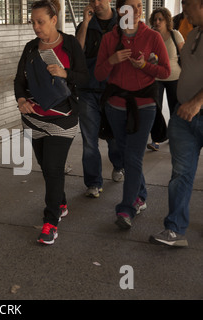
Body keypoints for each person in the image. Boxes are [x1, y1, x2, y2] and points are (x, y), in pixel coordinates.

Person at [14, 0, 89, 244]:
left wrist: (65, 73)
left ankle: (51, 222)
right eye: (33, 22)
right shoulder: (30, 48)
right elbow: (18, 80)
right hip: (34, 119)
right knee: (47, 168)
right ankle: (61, 201)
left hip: (64, 119)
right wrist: (21, 99)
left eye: (40, 21)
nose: (36, 27)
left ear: (54, 20)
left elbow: (86, 78)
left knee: (54, 168)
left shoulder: (70, 45)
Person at [94, 0, 171, 229]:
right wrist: (111, 60)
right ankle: (141, 196)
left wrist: (145, 66)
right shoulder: (109, 39)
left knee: (133, 156)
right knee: (126, 153)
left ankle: (126, 209)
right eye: (131, 6)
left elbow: (166, 71)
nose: (137, 11)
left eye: (139, 5)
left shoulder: (153, 37)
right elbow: (98, 74)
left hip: (144, 105)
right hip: (115, 105)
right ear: (120, 11)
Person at [150, 0, 203, 247]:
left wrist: (197, 101)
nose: (184, 8)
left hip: (196, 110)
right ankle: (173, 230)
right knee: (180, 174)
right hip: (184, 118)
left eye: (188, 4)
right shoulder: (192, 34)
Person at [75, 0, 124, 198]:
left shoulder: (121, 23)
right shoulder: (86, 25)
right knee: (89, 140)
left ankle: (119, 165)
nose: (96, 3)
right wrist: (85, 24)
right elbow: (77, 53)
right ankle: (94, 182)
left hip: (113, 90)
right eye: (92, 0)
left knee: (114, 137)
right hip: (88, 89)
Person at [147, 7, 185, 151]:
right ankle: (157, 138)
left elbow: (184, 56)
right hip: (156, 78)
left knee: (175, 109)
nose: (157, 22)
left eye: (160, 19)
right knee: (155, 109)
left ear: (166, 20)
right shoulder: (150, 36)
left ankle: (174, 136)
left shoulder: (175, 35)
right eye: (155, 19)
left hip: (175, 77)